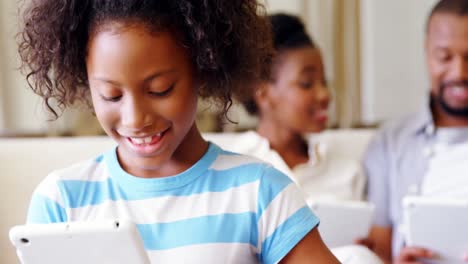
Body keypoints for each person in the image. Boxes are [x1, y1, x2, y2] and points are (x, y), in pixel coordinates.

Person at [18, 1, 340, 263]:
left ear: (203, 69)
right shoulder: (62, 200)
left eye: (160, 89)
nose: (135, 119)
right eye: (111, 95)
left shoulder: (260, 192)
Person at [363, 0, 468, 263]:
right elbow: (380, 251)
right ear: (426, 53)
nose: (460, 72)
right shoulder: (389, 143)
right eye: (444, 57)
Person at [238, 13, 365, 204]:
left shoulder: (348, 172)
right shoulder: (232, 167)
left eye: (324, 82)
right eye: (306, 84)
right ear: (263, 93)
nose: (325, 95)